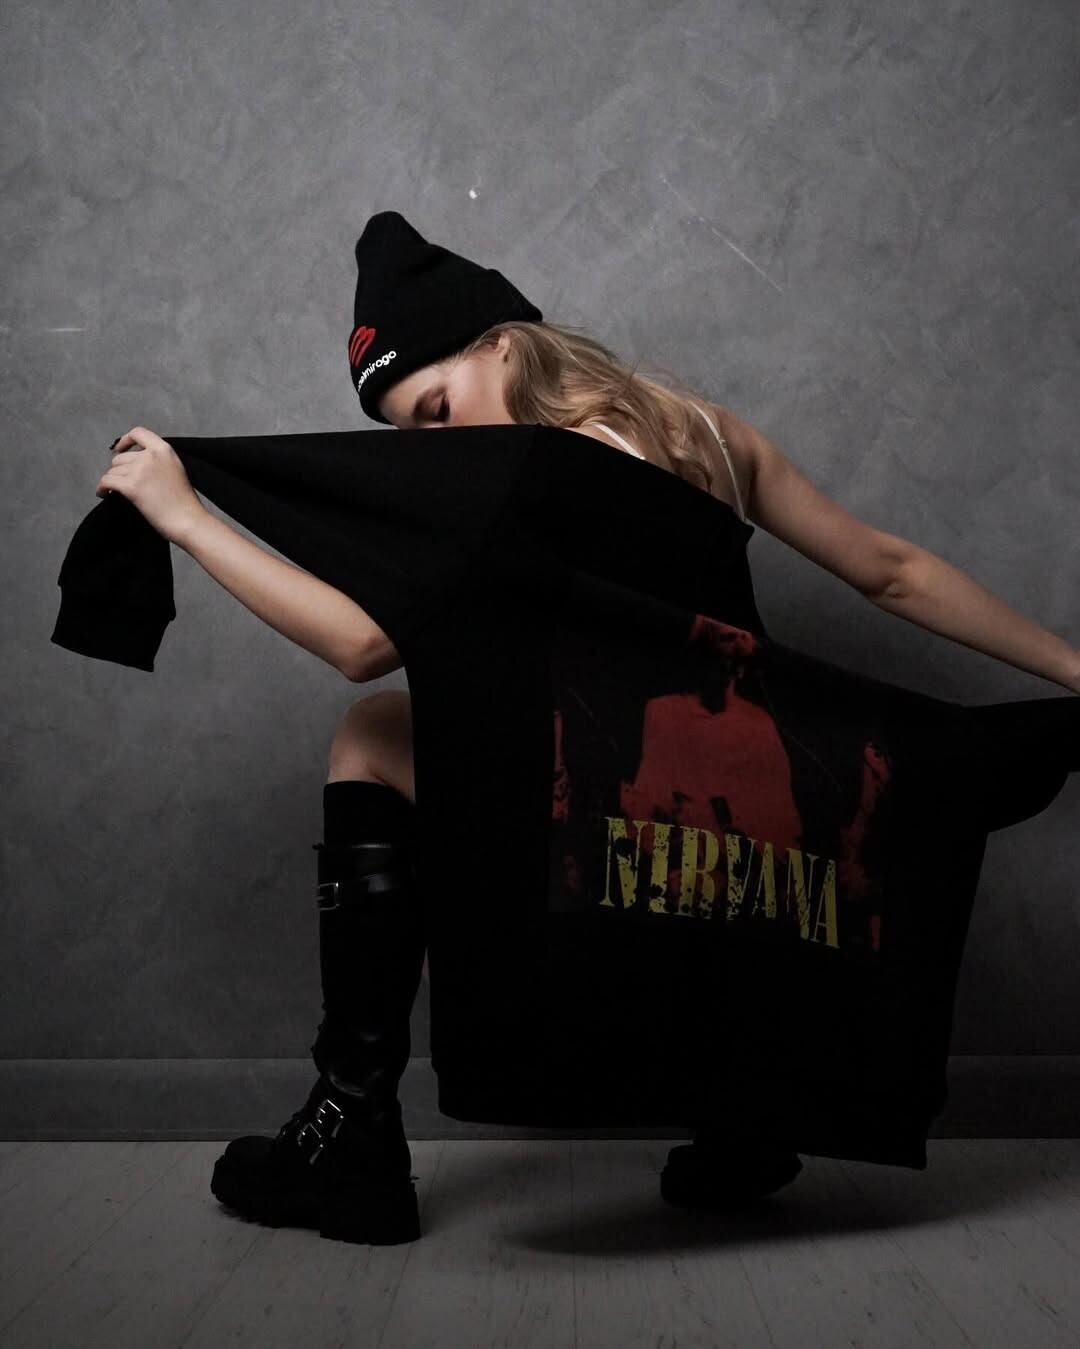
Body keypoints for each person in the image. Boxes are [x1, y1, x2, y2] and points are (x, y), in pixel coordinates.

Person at [94, 212, 1080, 1245]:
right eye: (410, 435)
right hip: (747, 846)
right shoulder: (707, 434)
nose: (435, 447)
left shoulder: (510, 480)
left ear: (500, 345)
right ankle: (744, 1116)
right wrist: (1069, 665)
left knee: (371, 731)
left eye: (436, 408)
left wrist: (187, 517)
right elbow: (891, 570)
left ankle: (353, 1130)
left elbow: (360, 642)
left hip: (598, 844)